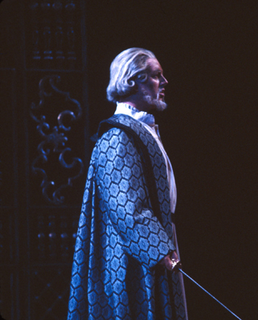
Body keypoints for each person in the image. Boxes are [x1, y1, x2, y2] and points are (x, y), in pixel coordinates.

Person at [67, 48, 188, 320]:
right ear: (133, 81)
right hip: (129, 259)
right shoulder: (117, 138)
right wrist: (159, 251)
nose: (165, 82)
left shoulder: (141, 129)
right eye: (157, 76)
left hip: (154, 248)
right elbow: (126, 208)